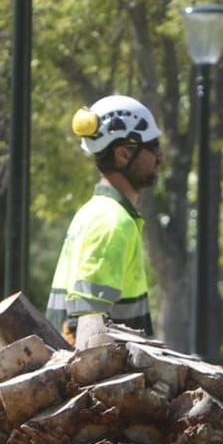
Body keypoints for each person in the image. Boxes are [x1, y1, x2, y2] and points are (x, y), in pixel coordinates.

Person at [47, 94, 161, 341]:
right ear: (123, 154)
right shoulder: (112, 222)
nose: (159, 158)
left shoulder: (93, 212)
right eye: (153, 148)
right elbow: (86, 328)